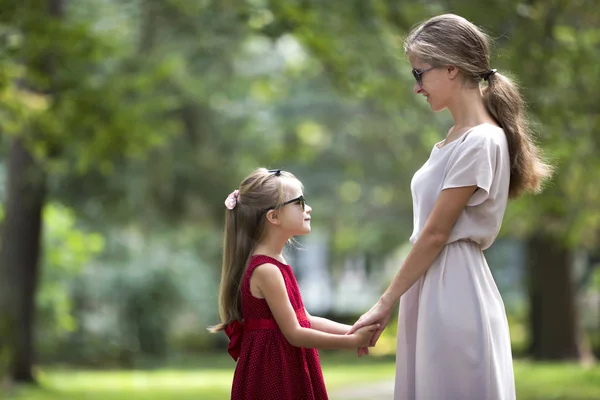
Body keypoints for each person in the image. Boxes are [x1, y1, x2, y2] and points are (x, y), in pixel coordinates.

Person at [348, 13, 553, 400]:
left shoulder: (480, 142)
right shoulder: (454, 139)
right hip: (433, 286)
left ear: (451, 69)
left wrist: (384, 302)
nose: (417, 88)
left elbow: (436, 233)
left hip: (452, 289)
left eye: (418, 74)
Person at [209, 168, 378, 400]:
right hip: (274, 371)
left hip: (284, 362)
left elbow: (304, 318)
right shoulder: (266, 269)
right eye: (299, 202)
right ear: (274, 217)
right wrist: (349, 342)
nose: (308, 208)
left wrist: (353, 330)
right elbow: (295, 333)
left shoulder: (276, 262)